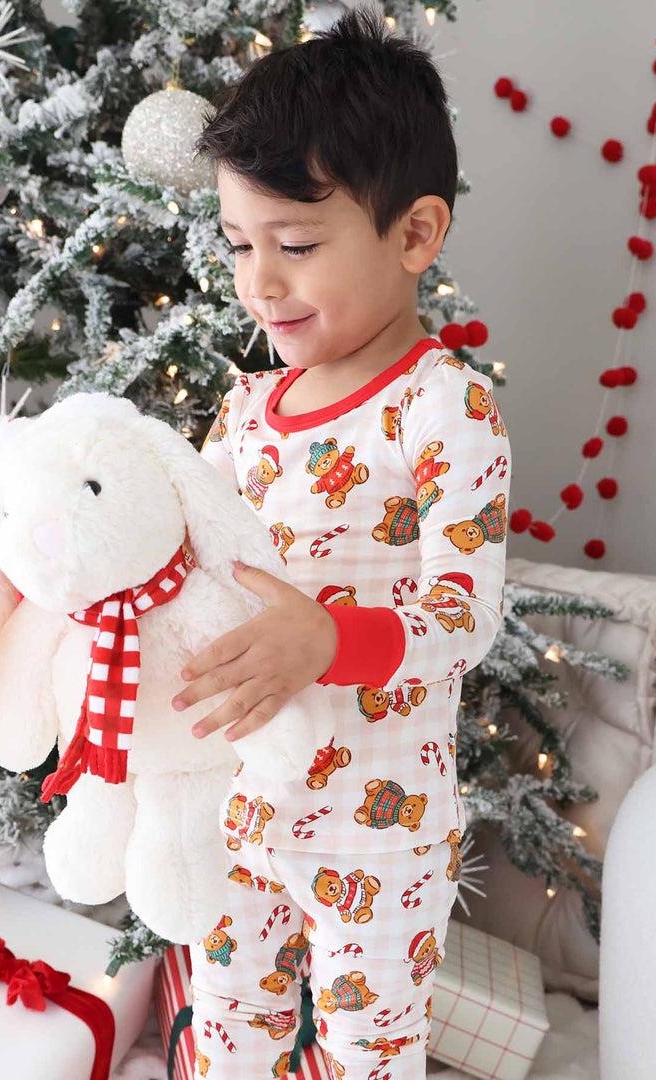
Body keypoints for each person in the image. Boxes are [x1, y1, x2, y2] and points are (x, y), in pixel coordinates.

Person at [175, 6, 512, 1077]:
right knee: (227, 1040)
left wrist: (324, 641)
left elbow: (463, 618)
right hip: (232, 804)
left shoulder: (444, 408)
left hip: (377, 828)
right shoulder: (241, 414)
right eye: (239, 245)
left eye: (298, 246)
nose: (258, 283)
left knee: (372, 1054)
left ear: (415, 234)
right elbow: (187, 578)